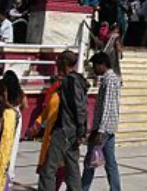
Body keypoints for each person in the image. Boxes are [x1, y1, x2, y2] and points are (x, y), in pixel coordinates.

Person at [38, 50, 87, 191]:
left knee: (48, 169)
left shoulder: (70, 81)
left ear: (64, 63)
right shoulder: (78, 80)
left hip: (65, 129)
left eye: (59, 61)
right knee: (72, 168)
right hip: (73, 130)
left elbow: (79, 107)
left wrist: (80, 130)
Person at [82, 52, 122, 191]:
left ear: (103, 65)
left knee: (90, 162)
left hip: (103, 128)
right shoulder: (109, 78)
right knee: (110, 162)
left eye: (95, 65)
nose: (93, 68)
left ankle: (83, 188)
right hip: (108, 128)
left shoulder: (109, 79)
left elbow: (107, 106)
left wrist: (100, 130)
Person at [27, 75, 63, 188]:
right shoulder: (54, 94)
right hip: (49, 135)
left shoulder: (68, 97)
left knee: (57, 169)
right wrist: (37, 124)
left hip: (60, 136)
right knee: (46, 168)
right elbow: (46, 112)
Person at [1, 71, 24, 185]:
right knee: (13, 146)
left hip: (6, 114)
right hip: (17, 116)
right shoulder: (20, 92)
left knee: (4, 143)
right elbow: (24, 105)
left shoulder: (3, 89)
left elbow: (3, 101)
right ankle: (10, 172)